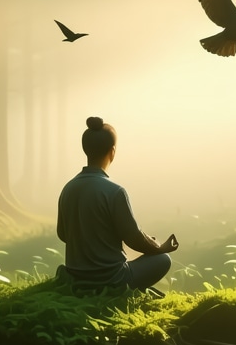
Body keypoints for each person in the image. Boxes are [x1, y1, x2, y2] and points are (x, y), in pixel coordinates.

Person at [56, 116, 178, 292]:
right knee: (163, 259)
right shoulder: (115, 191)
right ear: (112, 151)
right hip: (112, 279)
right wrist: (158, 247)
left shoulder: (68, 189)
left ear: (86, 150)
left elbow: (63, 234)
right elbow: (133, 238)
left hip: (76, 276)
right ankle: (127, 291)